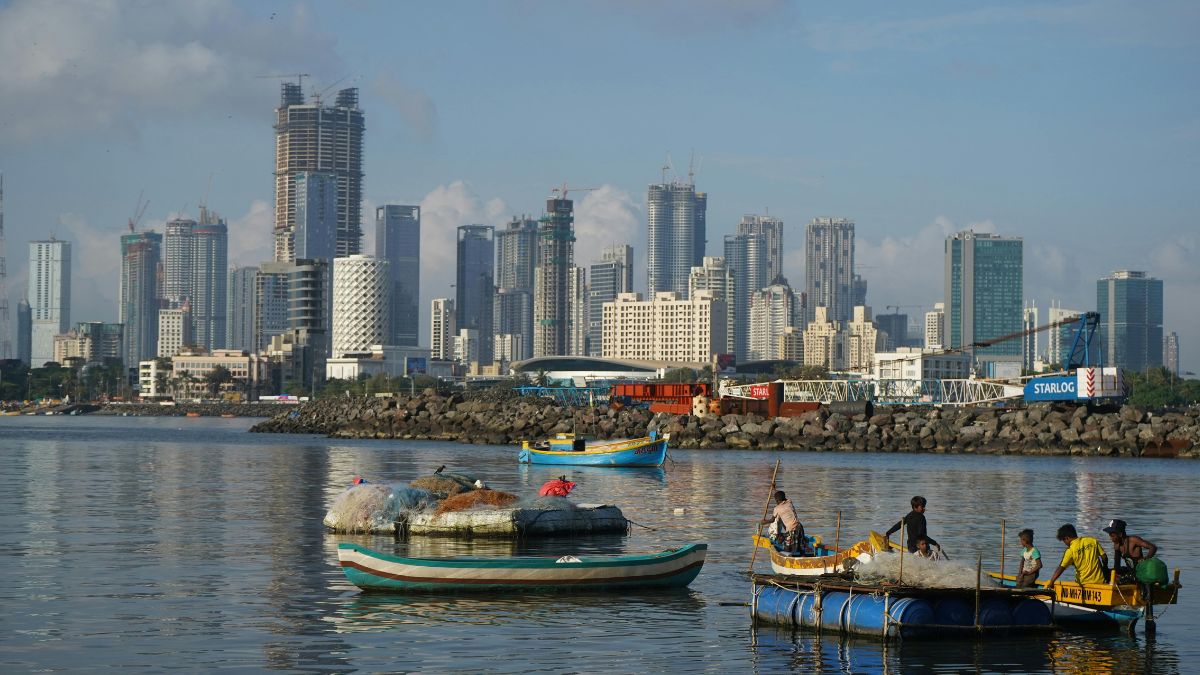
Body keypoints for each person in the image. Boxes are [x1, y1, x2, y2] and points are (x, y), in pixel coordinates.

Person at [1044, 523, 1109, 589]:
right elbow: (1104, 557)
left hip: (1083, 584)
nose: (1065, 543)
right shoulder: (1092, 541)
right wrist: (1105, 568)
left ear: (1067, 538)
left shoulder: (1070, 551)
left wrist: (1051, 582)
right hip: (1100, 582)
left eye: (1063, 540)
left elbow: (1061, 568)